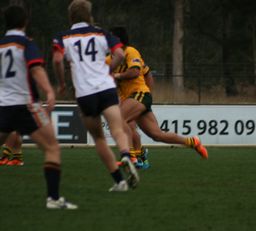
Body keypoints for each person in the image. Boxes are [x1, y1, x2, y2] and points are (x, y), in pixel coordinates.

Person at [52, 0, 139, 192]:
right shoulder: (102, 33)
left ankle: (119, 182)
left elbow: (57, 60)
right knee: (117, 129)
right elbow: (119, 55)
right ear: (89, 16)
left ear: (71, 17)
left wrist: (62, 83)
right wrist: (107, 69)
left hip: (85, 94)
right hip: (106, 88)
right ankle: (125, 154)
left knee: (99, 138)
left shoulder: (63, 37)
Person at [0, 5, 77, 209]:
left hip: (2, 105)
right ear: (25, 21)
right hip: (25, 105)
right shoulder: (26, 43)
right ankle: (53, 199)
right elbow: (35, 68)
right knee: (52, 148)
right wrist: (49, 91)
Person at [109, 26, 208, 161]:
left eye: (110, 37)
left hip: (139, 95)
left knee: (119, 119)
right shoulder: (110, 58)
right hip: (133, 99)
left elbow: (136, 72)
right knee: (157, 135)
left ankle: (131, 157)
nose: (107, 40)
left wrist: (118, 76)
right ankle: (192, 142)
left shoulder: (130, 51)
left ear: (118, 39)